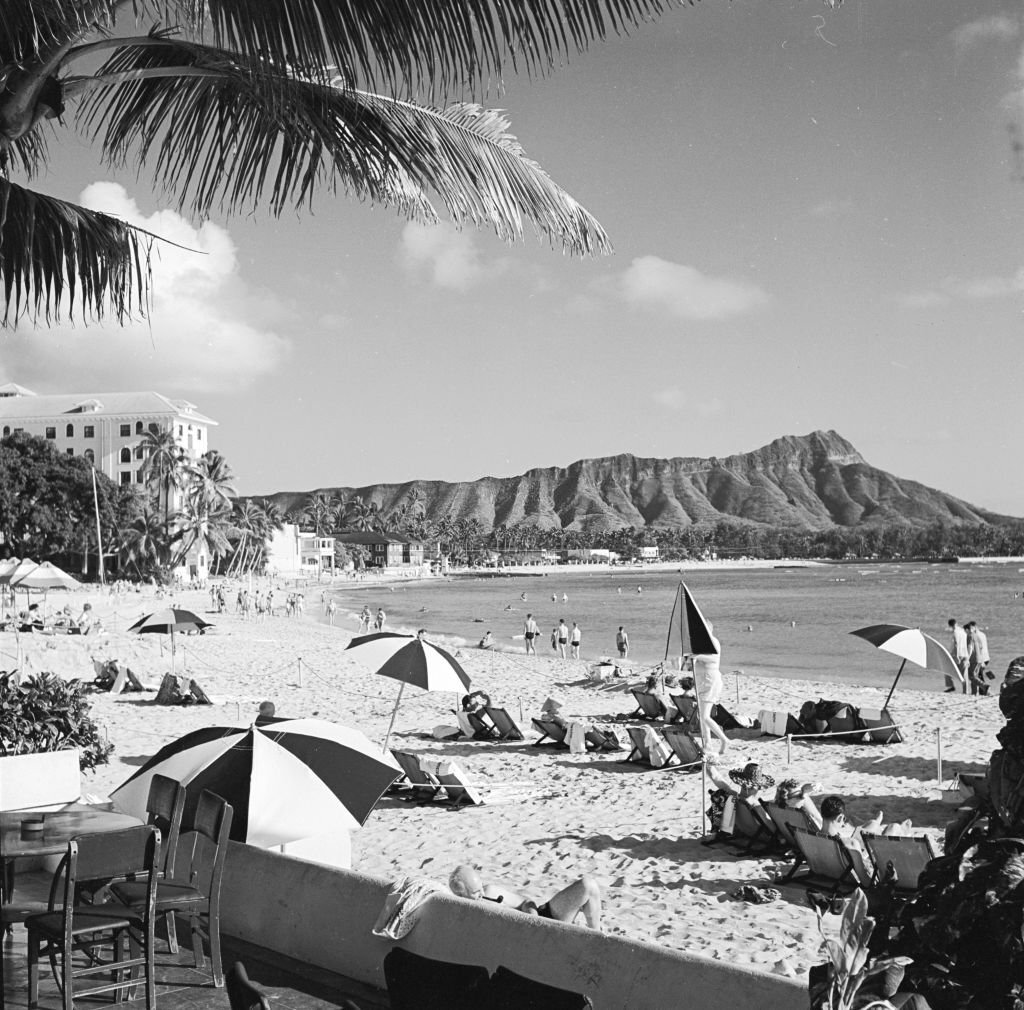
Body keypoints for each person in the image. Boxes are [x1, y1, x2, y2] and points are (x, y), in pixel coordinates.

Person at [449, 864, 602, 930]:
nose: (481, 894)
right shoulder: (463, 919)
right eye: (475, 892)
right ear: (461, 895)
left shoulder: (490, 892)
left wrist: (533, 919)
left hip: (542, 920)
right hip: (528, 943)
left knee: (588, 885)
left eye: (480, 887)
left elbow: (527, 902)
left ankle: (598, 939)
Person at [689, 620, 730, 755]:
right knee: (702, 716)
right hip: (702, 682)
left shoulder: (713, 642)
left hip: (711, 682)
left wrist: (697, 656)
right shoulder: (701, 644)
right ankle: (707, 745)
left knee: (705, 716)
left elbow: (713, 658)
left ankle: (724, 740)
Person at [966, 621, 991, 696]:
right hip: (985, 657)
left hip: (979, 657)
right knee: (978, 675)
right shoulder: (982, 634)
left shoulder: (974, 635)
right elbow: (982, 647)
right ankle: (976, 692)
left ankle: (984, 689)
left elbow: (978, 648)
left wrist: (981, 660)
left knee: (974, 676)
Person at [948, 618, 969, 693]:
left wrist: (956, 656)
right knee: (964, 675)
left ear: (950, 625)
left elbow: (956, 644)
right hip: (965, 654)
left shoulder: (955, 632)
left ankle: (951, 686)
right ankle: (965, 691)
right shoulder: (963, 631)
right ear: (956, 623)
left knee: (947, 669)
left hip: (958, 654)